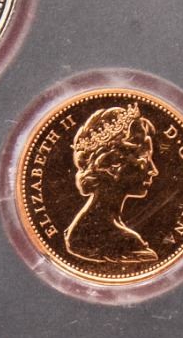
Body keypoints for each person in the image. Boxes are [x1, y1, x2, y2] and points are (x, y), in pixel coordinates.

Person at [63, 103, 159, 267]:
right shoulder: (125, 240)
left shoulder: (81, 229)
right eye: (144, 158)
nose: (153, 170)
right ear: (113, 164)